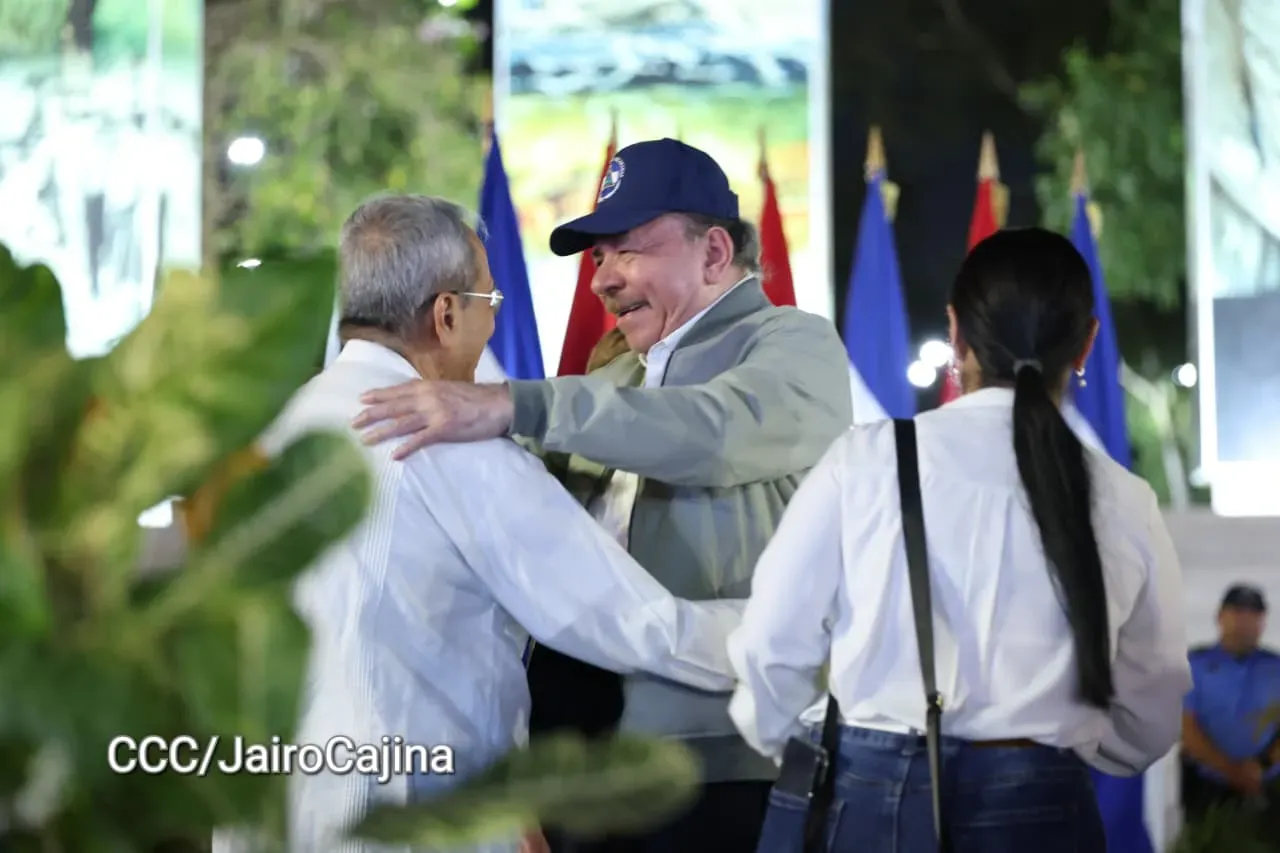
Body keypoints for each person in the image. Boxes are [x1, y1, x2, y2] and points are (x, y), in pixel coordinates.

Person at [353, 138, 854, 853]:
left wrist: (508, 404)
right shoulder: (610, 380)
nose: (603, 280)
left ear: (714, 253)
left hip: (724, 760)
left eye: (626, 250)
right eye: (597, 258)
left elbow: (711, 433)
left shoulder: (793, 346)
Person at [250, 193, 745, 853]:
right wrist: (803, 637)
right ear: (446, 313)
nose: (490, 329)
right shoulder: (444, 436)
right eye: (489, 304)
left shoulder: (277, 431)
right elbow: (632, 623)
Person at [729, 227, 1191, 853]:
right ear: (1085, 345)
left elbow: (771, 642)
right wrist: (1057, 748)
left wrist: (786, 736)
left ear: (955, 332)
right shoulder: (1124, 499)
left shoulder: (867, 460)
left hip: (869, 798)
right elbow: (1151, 708)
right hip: (1044, 802)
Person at [1181, 584, 1280, 837]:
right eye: (1237, 613)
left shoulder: (1275, 667)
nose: (1244, 622)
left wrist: (1260, 766)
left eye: (1253, 615)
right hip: (1208, 786)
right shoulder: (1194, 664)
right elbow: (1188, 730)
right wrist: (1233, 771)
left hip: (1267, 785)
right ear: (1220, 617)